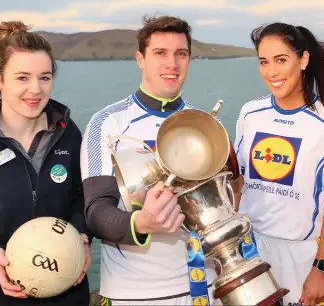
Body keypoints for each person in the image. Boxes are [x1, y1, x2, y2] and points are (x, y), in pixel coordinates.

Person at [80, 15, 238, 306]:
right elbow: (95, 212)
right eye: (160, 53)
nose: (172, 64)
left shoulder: (203, 123)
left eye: (181, 53)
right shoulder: (108, 123)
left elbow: (228, 200)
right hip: (134, 294)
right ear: (140, 59)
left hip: (203, 288)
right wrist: (141, 222)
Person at [234, 22, 324, 306]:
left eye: (281, 60)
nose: (271, 72)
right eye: (264, 62)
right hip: (249, 252)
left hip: (301, 257)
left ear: (303, 60)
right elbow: (237, 182)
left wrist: (320, 269)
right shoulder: (250, 113)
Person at [0, 21, 91, 306]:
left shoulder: (68, 132)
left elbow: (83, 195)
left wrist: (81, 234)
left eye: (44, 77)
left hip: (67, 294)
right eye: (22, 78)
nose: (35, 89)